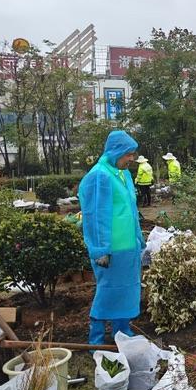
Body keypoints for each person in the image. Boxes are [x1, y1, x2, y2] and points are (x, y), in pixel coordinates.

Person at [78, 130, 145, 346]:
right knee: (107, 292)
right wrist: (100, 250)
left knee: (127, 291)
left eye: (133, 154)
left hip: (128, 248)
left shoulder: (123, 175)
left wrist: (138, 240)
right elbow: (95, 216)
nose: (131, 159)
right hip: (111, 250)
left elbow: (131, 210)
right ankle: (96, 339)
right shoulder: (100, 176)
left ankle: (122, 334)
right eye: (128, 154)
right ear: (116, 152)